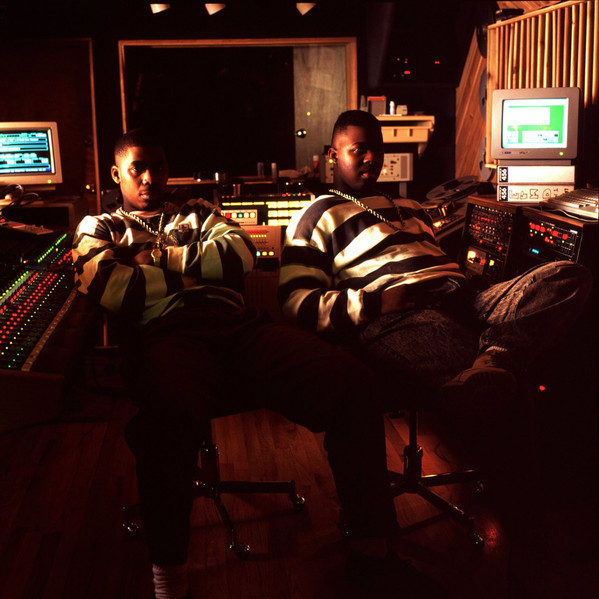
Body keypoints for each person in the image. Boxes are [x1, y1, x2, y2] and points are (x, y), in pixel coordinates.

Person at [72, 128, 447, 599]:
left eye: (159, 167)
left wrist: (158, 259)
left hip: (237, 328)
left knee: (351, 383)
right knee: (166, 421)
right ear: (116, 174)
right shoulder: (98, 227)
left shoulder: (198, 211)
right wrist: (196, 270)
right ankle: (169, 580)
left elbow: (240, 255)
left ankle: (371, 556)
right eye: (137, 169)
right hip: (165, 337)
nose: (150, 178)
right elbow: (112, 288)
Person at [278, 109, 593, 589]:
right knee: (510, 392)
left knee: (568, 276)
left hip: (466, 298)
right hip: (402, 314)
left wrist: (478, 287)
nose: (369, 158)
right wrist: (377, 301)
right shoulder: (316, 214)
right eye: (357, 149)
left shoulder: (411, 206)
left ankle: (496, 355)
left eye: (376, 149)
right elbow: (296, 301)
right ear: (333, 155)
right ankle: (532, 553)